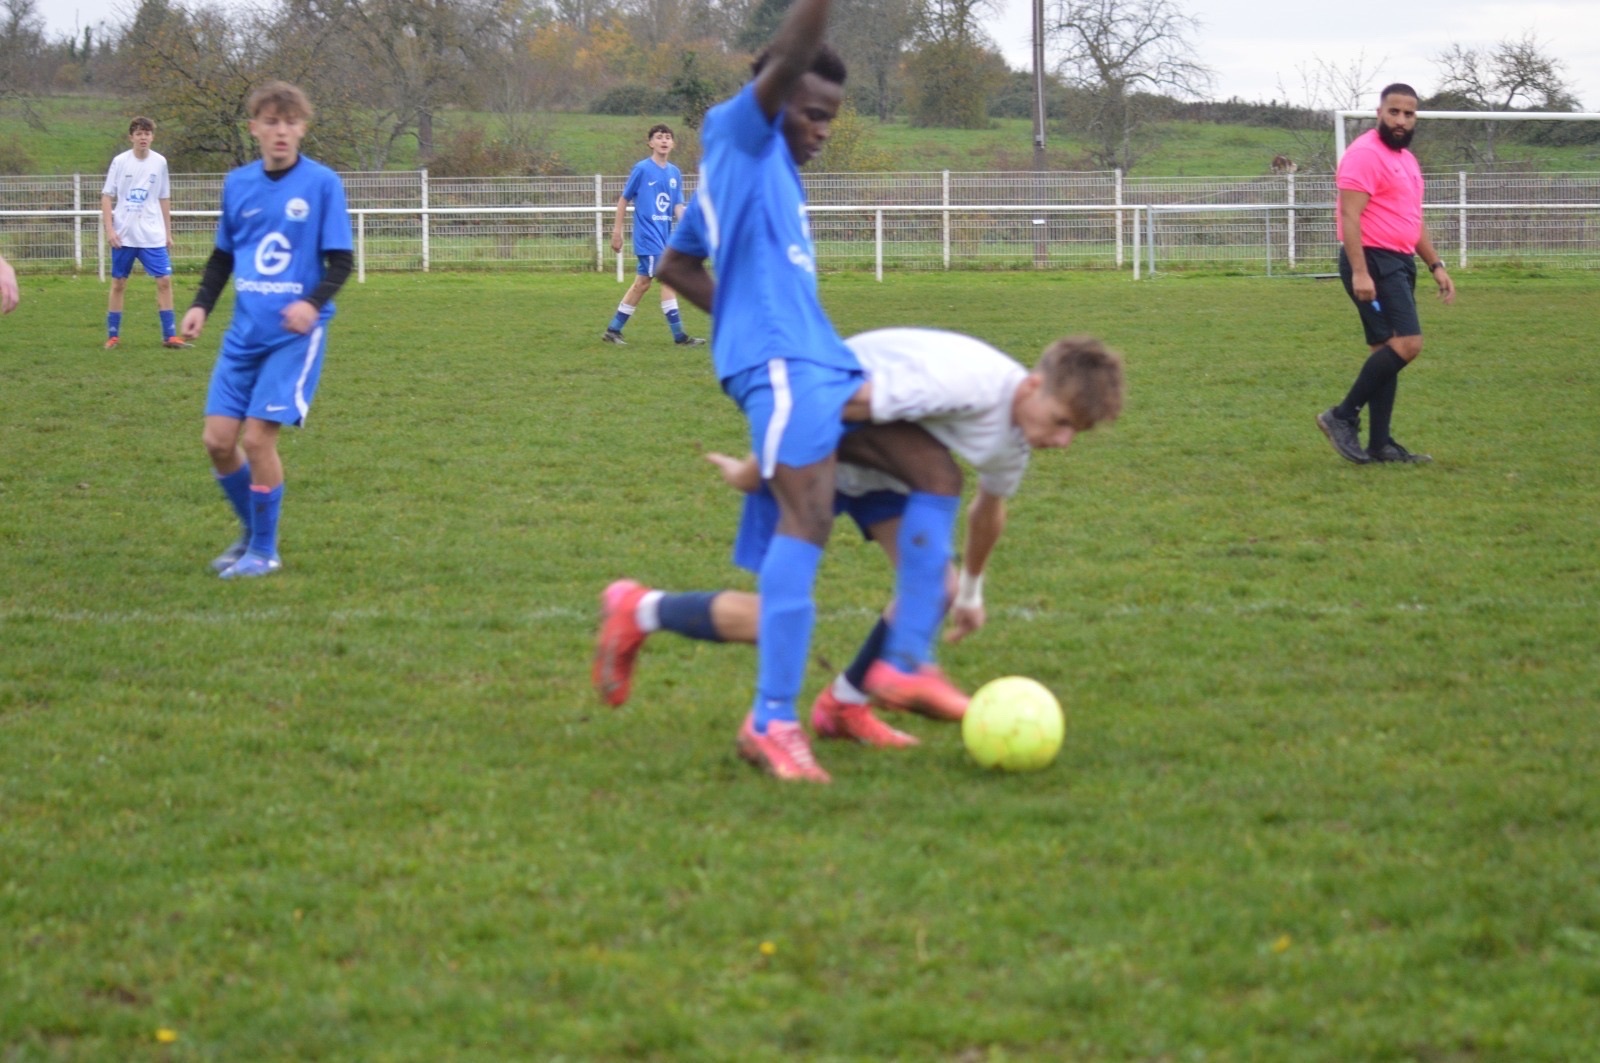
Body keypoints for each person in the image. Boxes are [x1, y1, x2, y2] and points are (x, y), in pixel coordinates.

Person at [632, 0, 963, 783]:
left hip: (823, 365)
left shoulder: (755, 176)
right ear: (775, 99)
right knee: (807, 516)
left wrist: (740, 310)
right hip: (781, 366)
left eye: (831, 118)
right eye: (812, 113)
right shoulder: (739, 135)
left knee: (936, 472)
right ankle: (772, 718)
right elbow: (791, 52)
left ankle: (896, 666)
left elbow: (677, 266)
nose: (823, 129)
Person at [594, 331, 1126, 748]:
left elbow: (990, 510)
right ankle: (638, 609)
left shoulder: (1016, 439)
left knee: (935, 589)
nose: (1063, 441)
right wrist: (754, 469)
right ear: (1032, 386)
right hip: (815, 443)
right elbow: (815, 400)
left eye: (1075, 433)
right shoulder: (962, 382)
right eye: (1060, 422)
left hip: (876, 467)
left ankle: (843, 706)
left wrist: (969, 592)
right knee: (775, 620)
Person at [179, 81, 354, 580]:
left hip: (293, 337)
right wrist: (200, 306)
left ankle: (264, 550)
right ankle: (250, 535)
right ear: (253, 127)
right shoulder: (238, 184)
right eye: (271, 122)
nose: (281, 131)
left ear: (303, 129)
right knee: (218, 441)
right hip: (243, 334)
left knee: (257, 440)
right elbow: (223, 256)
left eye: (290, 122)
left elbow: (341, 261)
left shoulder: (322, 184)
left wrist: (310, 303)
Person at [1316, 83, 1455, 465]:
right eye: (1394, 112)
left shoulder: (1406, 160)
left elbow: (1412, 218)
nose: (1401, 120)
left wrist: (1435, 265)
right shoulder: (1365, 154)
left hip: (1399, 261)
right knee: (1408, 343)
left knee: (1386, 350)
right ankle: (1342, 415)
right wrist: (1361, 273)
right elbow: (1349, 216)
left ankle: (1380, 445)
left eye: (1408, 114)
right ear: (1379, 113)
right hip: (1373, 262)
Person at [600, 124, 702, 347]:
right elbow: (623, 199)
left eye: (668, 137)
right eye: (659, 137)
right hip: (648, 237)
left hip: (665, 239)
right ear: (650, 143)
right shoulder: (642, 169)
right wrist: (616, 232)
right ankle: (679, 337)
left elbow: (677, 206)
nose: (664, 140)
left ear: (673, 143)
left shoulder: (674, 173)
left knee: (642, 284)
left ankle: (613, 330)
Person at [101, 116, 190, 350]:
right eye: (139, 133)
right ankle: (113, 336)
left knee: (165, 281)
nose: (143, 137)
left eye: (147, 133)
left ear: (152, 137)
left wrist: (167, 232)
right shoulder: (120, 162)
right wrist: (110, 230)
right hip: (124, 234)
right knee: (119, 283)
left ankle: (169, 336)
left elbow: (164, 197)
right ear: (131, 137)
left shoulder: (160, 162)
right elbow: (107, 197)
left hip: (152, 234)